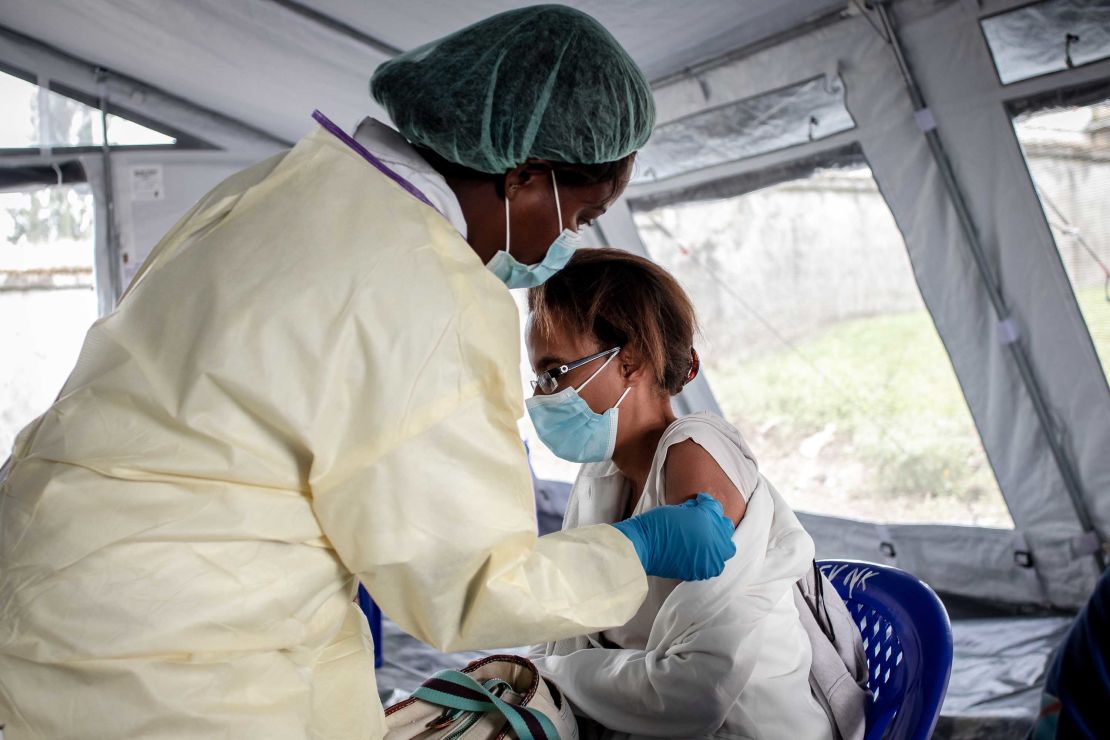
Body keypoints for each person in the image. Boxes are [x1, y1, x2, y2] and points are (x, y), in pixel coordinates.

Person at [0, 7, 736, 740]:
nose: (567, 241)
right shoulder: (430, 288)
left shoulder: (279, 187)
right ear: (526, 178)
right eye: (578, 215)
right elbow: (474, 584)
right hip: (174, 668)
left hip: (45, 604)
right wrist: (637, 549)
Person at [525, 249, 841, 740]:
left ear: (628, 361)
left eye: (555, 373)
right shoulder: (602, 473)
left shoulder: (695, 450)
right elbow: (566, 635)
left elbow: (691, 693)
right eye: (538, 379)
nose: (542, 397)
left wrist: (549, 678)